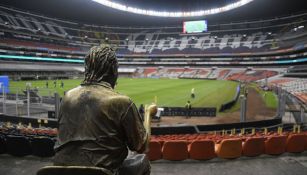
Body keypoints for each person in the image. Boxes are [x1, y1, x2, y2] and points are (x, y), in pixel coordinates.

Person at [54, 45, 150, 175]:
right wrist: (149, 113)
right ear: (113, 70)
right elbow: (141, 146)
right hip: (103, 173)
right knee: (142, 160)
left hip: (60, 171)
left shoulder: (67, 97)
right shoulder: (121, 102)